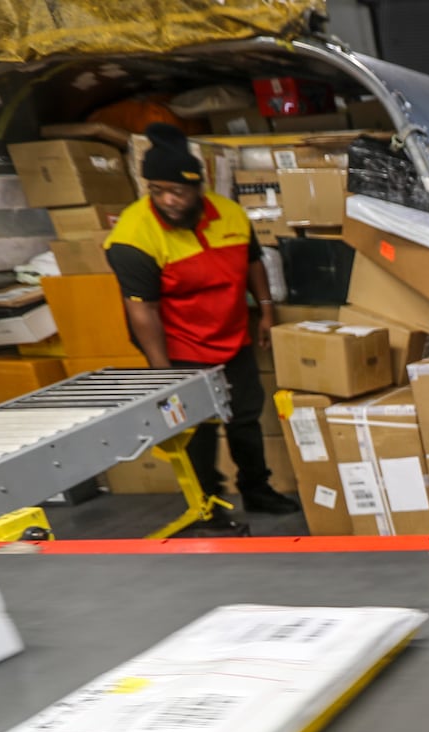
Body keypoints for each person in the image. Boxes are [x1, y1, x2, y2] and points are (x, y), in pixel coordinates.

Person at [105, 124, 300, 514]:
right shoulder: (133, 236)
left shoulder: (229, 214)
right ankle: (207, 501)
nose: (167, 201)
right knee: (197, 423)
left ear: (198, 187)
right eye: (156, 190)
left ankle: (257, 490)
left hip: (230, 333)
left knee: (244, 414)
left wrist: (266, 310)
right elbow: (142, 309)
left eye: (177, 191)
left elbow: (252, 261)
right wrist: (165, 375)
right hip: (178, 343)